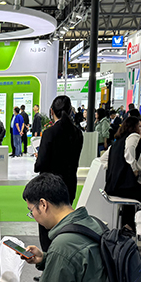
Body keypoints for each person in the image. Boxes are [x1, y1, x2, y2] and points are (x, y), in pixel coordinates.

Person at [33, 95, 83, 251]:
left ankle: (49, 261)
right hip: (69, 185)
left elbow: (40, 165)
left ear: (51, 111)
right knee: (64, 225)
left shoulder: (50, 133)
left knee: (46, 228)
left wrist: (39, 156)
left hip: (49, 187)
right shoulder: (77, 133)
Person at [103, 114, 141, 230]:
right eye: (139, 126)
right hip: (125, 185)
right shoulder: (133, 136)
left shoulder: (118, 141)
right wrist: (134, 168)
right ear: (133, 127)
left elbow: (104, 159)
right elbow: (129, 151)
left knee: (129, 205)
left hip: (112, 186)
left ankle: (128, 226)